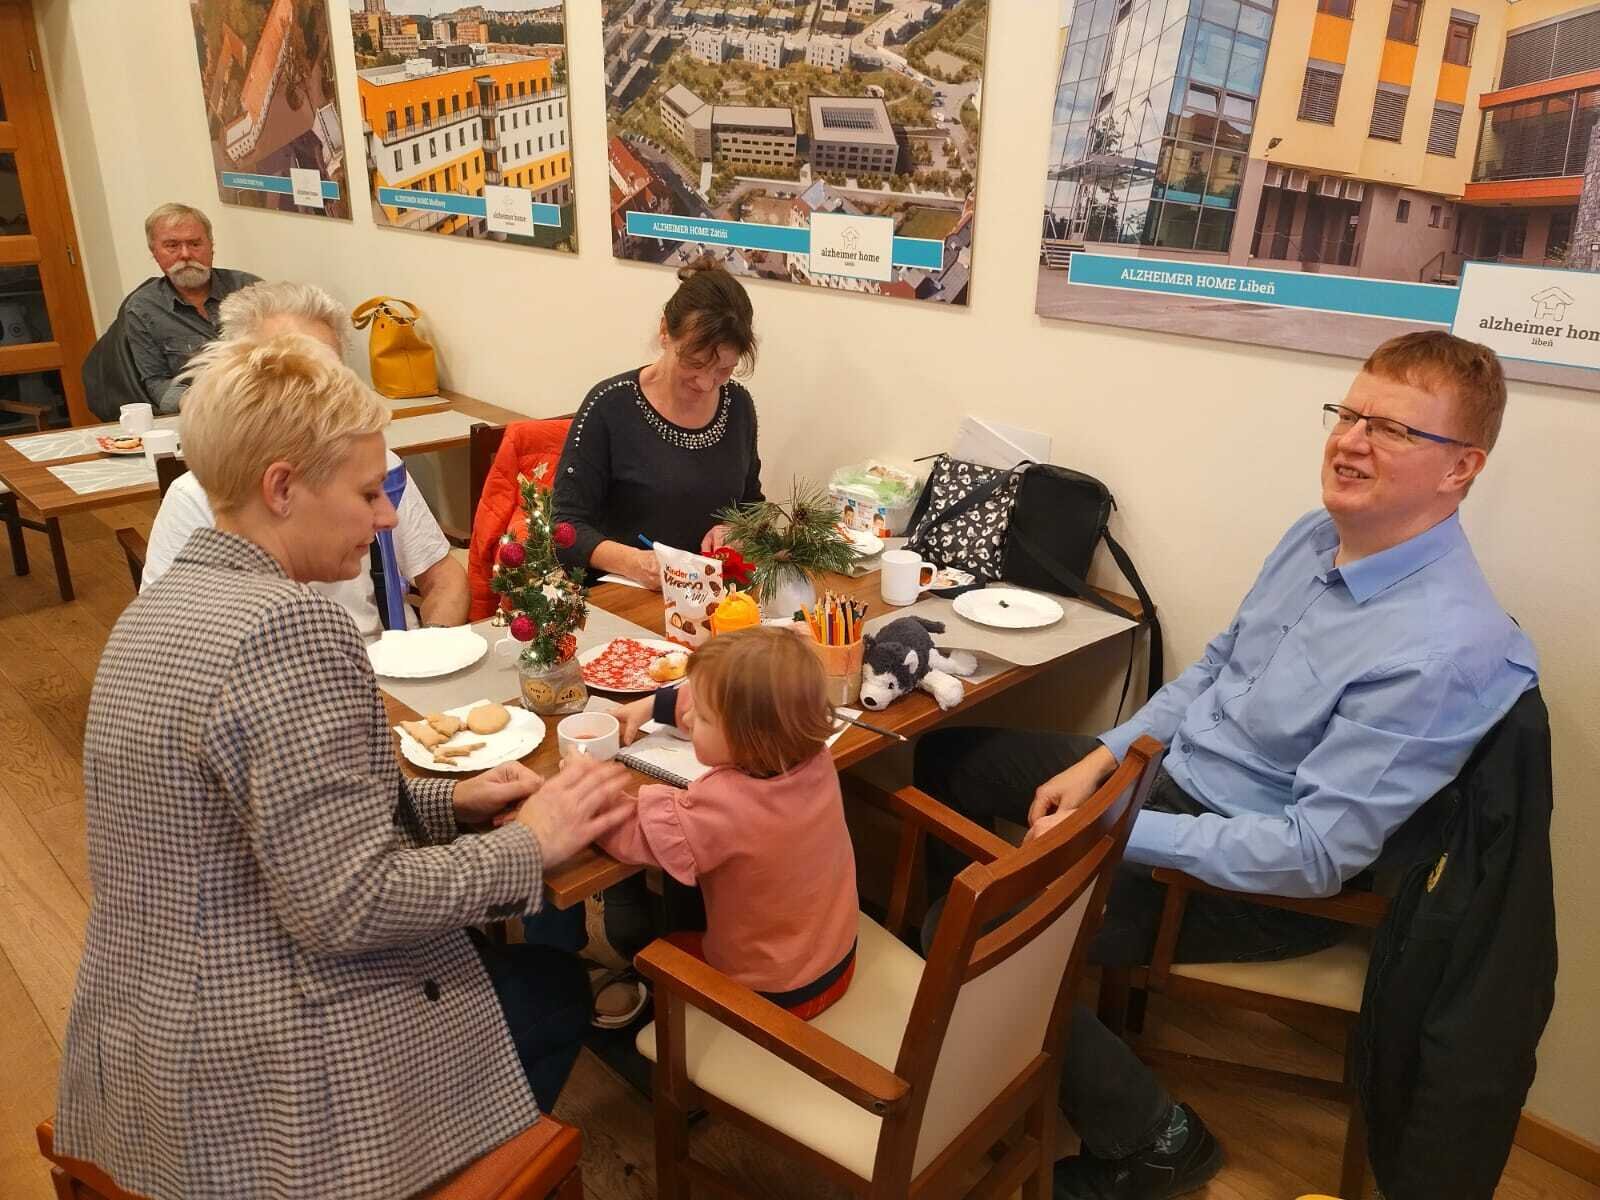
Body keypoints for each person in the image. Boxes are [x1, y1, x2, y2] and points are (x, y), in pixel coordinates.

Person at [914, 331, 1538, 1200]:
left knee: (966, 929)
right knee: (949, 757)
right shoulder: (1316, 536)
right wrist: (1106, 759)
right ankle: (994, 1028)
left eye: (1393, 429)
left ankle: (1155, 1138)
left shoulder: (1442, 648)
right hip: (1168, 783)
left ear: (1461, 468)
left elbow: (1312, 855)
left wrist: (1111, 827)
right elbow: (1214, 670)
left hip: (1258, 880)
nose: (1351, 442)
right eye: (1349, 414)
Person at [54, 331, 632, 1200]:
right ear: (281, 487)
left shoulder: (159, 606)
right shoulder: (291, 627)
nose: (388, 518)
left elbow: (261, 815)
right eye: (368, 493)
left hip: (136, 1051)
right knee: (553, 990)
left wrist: (444, 804)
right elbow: (350, 904)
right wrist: (531, 843)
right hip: (258, 1088)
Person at [140, 281, 470, 636]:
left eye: (329, 371)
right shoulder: (195, 498)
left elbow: (443, 577)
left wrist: (431, 644)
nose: (318, 390)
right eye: (290, 374)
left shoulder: (377, 465)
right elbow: (168, 632)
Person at [605, 627, 859, 1018]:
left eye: (703, 717)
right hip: (834, 961)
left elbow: (630, 833)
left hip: (771, 998)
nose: (688, 717)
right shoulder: (811, 753)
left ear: (749, 738)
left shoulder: (723, 804)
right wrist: (653, 705)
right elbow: (731, 698)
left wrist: (581, 788)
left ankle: (650, 1002)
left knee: (657, 948)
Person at [552, 255, 762, 589]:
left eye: (724, 369)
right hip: (625, 595)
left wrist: (736, 530)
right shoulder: (609, 407)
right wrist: (637, 563)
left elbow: (752, 506)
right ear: (665, 331)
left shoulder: (737, 406)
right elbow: (564, 528)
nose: (707, 383)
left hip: (710, 595)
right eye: (694, 363)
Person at [123, 202, 260, 413]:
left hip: (258, 403)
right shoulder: (143, 308)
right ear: (154, 252)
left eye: (195, 244)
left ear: (211, 246)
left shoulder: (250, 289)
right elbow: (156, 381)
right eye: (172, 246)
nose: (185, 254)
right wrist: (198, 403)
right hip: (197, 411)